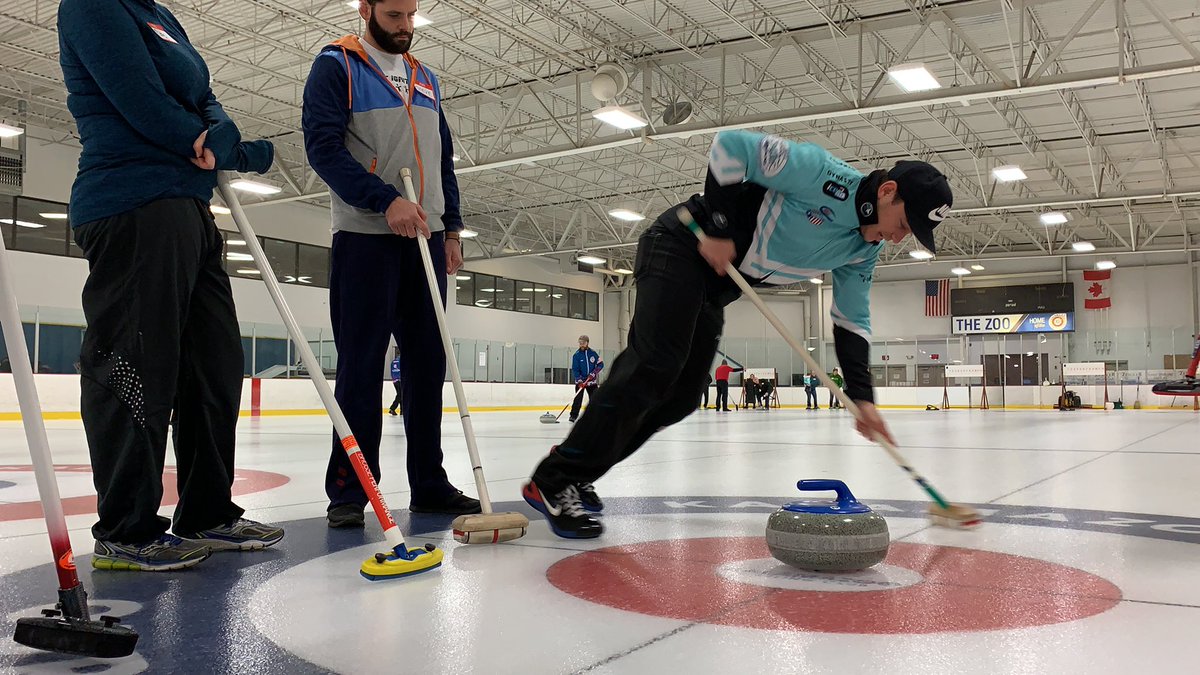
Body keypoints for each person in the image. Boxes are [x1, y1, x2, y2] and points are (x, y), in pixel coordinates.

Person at [522, 129, 952, 538]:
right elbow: (731, 147)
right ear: (887, 192)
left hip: (715, 286)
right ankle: (553, 480)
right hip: (683, 244)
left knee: (681, 398)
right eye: (904, 223)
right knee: (655, 365)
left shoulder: (863, 251)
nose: (900, 238)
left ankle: (578, 471)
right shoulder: (820, 172)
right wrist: (719, 229)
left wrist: (863, 398)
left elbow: (851, 320)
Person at [58, 0, 283, 570]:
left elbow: (204, 96)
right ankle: (126, 528)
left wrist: (221, 134)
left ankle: (208, 511)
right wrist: (223, 146)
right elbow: (141, 102)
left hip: (190, 207)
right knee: (138, 364)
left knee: (214, 366)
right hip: (133, 201)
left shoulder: (158, 14)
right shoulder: (92, 5)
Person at [302, 0, 480, 528]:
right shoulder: (336, 65)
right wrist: (385, 200)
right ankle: (350, 490)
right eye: (395, 16)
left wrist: (451, 227)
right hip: (366, 239)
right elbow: (323, 149)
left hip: (425, 237)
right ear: (366, 9)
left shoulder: (425, 78)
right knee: (361, 366)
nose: (405, 27)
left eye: (411, 16)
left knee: (428, 365)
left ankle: (430, 484)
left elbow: (442, 159)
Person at [568, 335, 603, 423]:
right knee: (578, 400)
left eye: (583, 343)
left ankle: (597, 415)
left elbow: (601, 364)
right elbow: (575, 369)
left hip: (592, 382)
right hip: (581, 382)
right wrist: (579, 380)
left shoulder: (593, 353)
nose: (581, 345)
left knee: (595, 399)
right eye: (580, 343)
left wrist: (594, 373)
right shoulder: (576, 355)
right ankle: (573, 415)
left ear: (587, 343)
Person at [387, 350, 402, 416]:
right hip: (400, 380)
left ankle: (402, 411)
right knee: (400, 395)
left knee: (400, 395)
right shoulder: (401, 361)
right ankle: (392, 408)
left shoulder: (393, 362)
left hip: (395, 381)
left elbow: (392, 371)